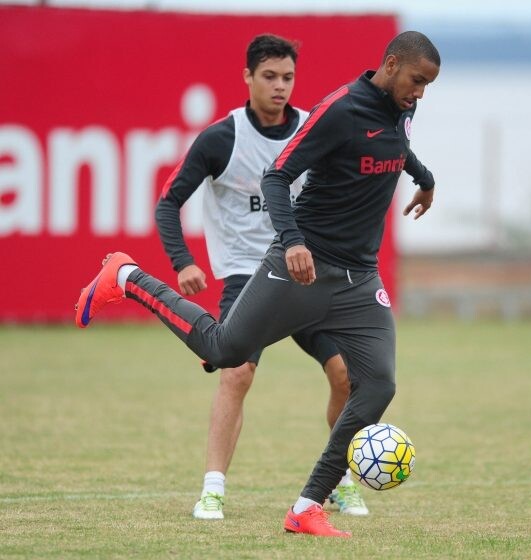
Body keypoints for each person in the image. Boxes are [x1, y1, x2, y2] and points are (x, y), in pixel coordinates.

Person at [75, 30, 440, 538]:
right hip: (302, 268)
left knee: (377, 383)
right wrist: (291, 241)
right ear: (392, 63)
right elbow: (275, 176)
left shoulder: (402, 105)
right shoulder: (339, 109)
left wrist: (425, 178)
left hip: (360, 281)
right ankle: (127, 276)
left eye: (427, 86)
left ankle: (308, 505)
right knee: (227, 354)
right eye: (418, 81)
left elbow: (397, 145)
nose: (421, 92)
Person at [155, 34, 368, 520]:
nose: (279, 86)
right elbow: (168, 203)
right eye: (269, 76)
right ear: (247, 77)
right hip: (247, 275)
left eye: (288, 78)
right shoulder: (220, 139)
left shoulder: (313, 129)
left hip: (307, 270)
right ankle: (212, 490)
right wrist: (182, 261)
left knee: (346, 375)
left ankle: (337, 480)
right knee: (237, 372)